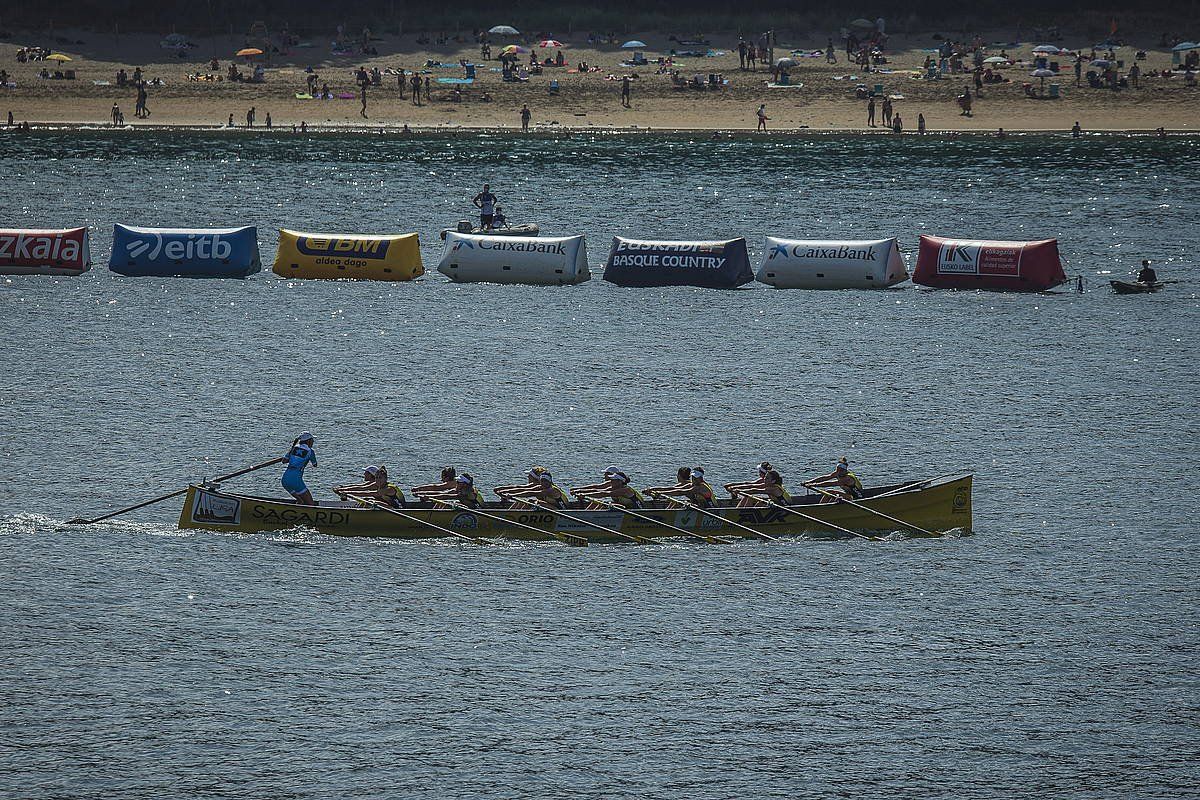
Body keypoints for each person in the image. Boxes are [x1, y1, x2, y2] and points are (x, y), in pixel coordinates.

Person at [572, 468, 644, 508]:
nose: (611, 481)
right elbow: (598, 490)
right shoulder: (615, 487)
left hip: (637, 511)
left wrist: (585, 495)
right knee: (597, 503)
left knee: (604, 504)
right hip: (627, 508)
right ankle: (585, 516)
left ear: (619, 482)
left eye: (613, 480)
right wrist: (580, 492)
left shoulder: (625, 490)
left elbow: (604, 494)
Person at [646, 467, 716, 508]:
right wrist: (653, 489)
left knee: (681, 504)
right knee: (678, 504)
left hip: (712, 510)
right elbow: (673, 489)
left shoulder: (701, 487)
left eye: (696, 478)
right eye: (693, 477)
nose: (694, 479)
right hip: (701, 507)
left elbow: (681, 492)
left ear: (701, 478)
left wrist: (660, 493)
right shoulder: (692, 485)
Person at [498, 470, 571, 508]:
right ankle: (509, 515)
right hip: (552, 508)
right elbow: (524, 490)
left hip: (562, 512)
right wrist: (504, 492)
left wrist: (511, 495)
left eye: (546, 481)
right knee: (522, 501)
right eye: (542, 481)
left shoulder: (552, 490)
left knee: (532, 501)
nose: (544, 483)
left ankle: (515, 521)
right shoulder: (540, 487)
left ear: (550, 481)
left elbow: (531, 493)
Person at [280, 433, 317, 505]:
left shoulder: (293, 448)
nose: (313, 442)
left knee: (301, 502)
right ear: (308, 441)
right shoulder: (310, 451)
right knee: (311, 504)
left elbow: (284, 461)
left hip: (285, 480)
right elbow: (315, 464)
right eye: (312, 440)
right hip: (295, 480)